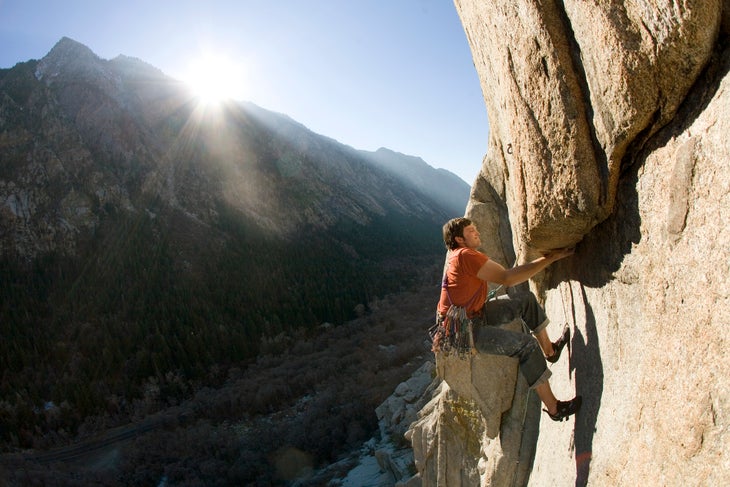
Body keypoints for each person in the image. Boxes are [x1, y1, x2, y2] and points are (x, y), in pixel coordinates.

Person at [436, 217, 581, 422]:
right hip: (466, 330)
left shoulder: (457, 255)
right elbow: (507, 278)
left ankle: (550, 351)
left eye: (475, 228)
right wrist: (550, 258)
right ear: (459, 239)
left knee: (525, 300)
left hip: (473, 315)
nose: (477, 232)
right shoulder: (465, 255)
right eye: (471, 230)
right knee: (527, 347)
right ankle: (555, 409)